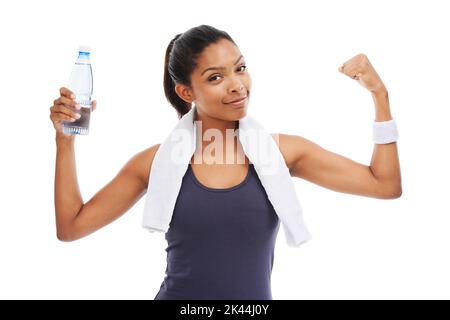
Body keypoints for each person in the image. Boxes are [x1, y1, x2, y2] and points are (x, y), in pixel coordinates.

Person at [49, 25, 402, 299]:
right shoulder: (156, 163)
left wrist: (379, 95)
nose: (237, 86)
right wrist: (64, 141)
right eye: (215, 77)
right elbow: (72, 227)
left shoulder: (281, 153)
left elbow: (384, 185)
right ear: (186, 92)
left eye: (240, 68)